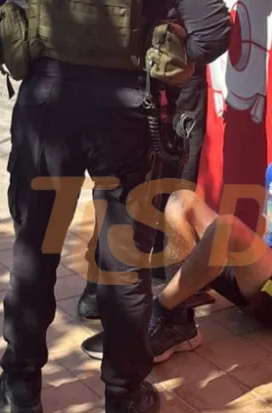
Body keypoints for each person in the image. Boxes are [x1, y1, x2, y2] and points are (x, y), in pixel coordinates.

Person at [0, 0, 232, 413]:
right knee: (124, 264)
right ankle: (123, 400)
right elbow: (212, 31)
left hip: (47, 107)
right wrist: (174, 59)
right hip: (127, 112)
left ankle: (23, 385)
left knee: (35, 253)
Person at [80, 88, 272, 363]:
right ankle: (178, 320)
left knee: (227, 227)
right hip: (263, 280)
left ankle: (159, 311)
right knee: (182, 200)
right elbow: (269, 233)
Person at [76, 56, 215, 322]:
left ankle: (161, 286)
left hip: (133, 71)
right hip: (163, 67)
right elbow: (210, 38)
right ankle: (168, 303)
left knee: (126, 182)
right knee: (138, 182)